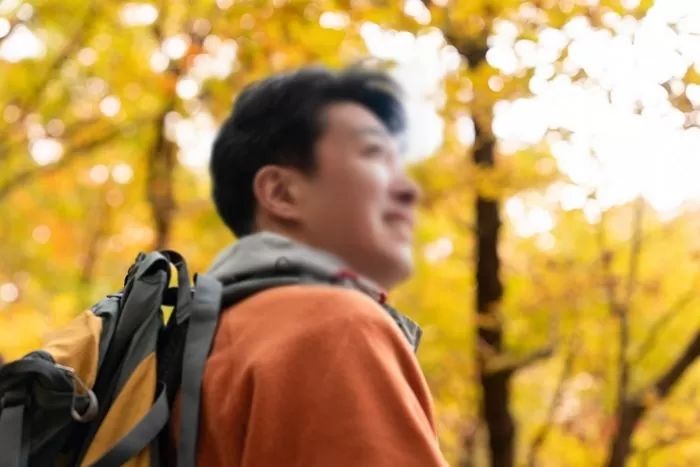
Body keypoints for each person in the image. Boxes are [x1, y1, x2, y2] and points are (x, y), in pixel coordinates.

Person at [172, 66, 449, 466]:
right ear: (281, 193)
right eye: (373, 154)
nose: (408, 190)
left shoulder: (206, 342)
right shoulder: (336, 325)